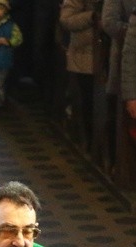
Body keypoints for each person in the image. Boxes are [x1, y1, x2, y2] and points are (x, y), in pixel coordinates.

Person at [60, 0, 98, 148]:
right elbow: (66, 20)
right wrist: (91, 17)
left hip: (104, 58)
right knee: (86, 103)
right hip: (83, 57)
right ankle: (86, 141)